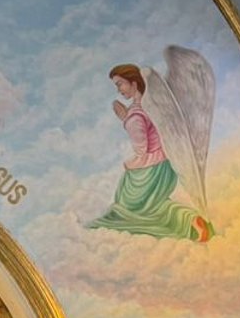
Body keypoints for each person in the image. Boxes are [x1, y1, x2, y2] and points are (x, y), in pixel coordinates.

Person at [87, 65, 213, 242]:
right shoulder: (150, 106)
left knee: (126, 209)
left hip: (150, 169)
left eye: (120, 84)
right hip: (165, 165)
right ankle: (192, 220)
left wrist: (128, 162)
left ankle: (189, 221)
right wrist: (126, 118)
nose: (118, 90)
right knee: (152, 205)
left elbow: (141, 151)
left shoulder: (135, 116)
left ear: (134, 83)